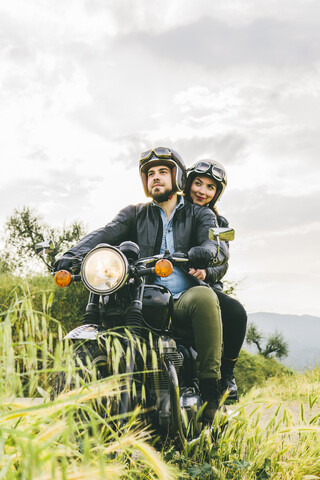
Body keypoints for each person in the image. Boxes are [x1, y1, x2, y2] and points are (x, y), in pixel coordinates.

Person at [55, 147, 229, 422]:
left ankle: (211, 389)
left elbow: (215, 243)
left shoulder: (198, 214)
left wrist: (206, 251)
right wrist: (71, 255)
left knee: (205, 299)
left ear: (177, 176)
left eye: (162, 172)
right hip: (140, 296)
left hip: (181, 297)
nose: (156, 178)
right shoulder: (135, 213)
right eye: (150, 174)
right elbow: (105, 233)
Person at [184, 159, 247, 400]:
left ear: (216, 194)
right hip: (169, 282)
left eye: (210, 187)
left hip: (204, 285)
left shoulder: (221, 224)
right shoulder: (174, 211)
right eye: (198, 183)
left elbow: (223, 257)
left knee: (236, 313)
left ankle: (227, 373)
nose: (202, 191)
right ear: (188, 183)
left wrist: (206, 272)